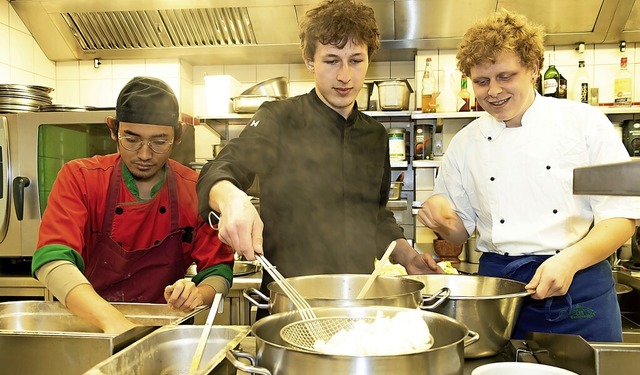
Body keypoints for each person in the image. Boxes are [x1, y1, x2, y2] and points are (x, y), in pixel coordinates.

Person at [418, 10, 640, 342]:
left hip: (578, 282)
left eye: (506, 76)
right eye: (482, 81)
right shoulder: (465, 143)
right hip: (498, 294)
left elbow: (622, 216)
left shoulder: (585, 124)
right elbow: (458, 232)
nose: (493, 91)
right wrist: (439, 214)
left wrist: (569, 261)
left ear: (533, 69)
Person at [196, 0, 441, 296]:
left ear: (369, 59)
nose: (345, 76)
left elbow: (375, 216)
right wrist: (232, 199)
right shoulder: (279, 118)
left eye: (355, 60)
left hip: (357, 299)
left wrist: (409, 257)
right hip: (291, 300)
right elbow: (220, 169)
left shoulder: (375, 135)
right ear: (310, 60)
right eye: (331, 60)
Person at [32, 76, 234, 334]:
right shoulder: (80, 178)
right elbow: (52, 259)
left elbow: (218, 269)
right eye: (131, 139)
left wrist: (199, 295)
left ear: (178, 136)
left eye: (160, 141)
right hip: (91, 326)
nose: (145, 154)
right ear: (113, 129)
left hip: (166, 329)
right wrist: (112, 321)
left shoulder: (196, 188)